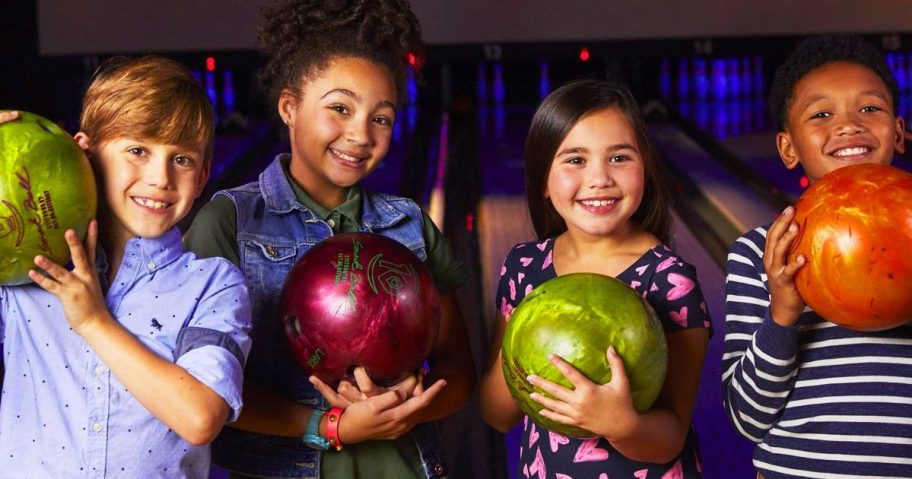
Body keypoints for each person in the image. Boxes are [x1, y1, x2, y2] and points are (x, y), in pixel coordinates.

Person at [183, 1, 476, 477]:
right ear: (289, 107)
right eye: (340, 108)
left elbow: (459, 374)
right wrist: (335, 425)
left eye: (381, 118)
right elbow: (204, 392)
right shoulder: (229, 222)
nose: (360, 134)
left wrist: (405, 408)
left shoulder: (410, 225)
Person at [0, 56, 252, 477]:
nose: (160, 178)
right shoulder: (26, 268)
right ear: (84, 151)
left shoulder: (213, 285)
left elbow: (200, 417)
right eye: (137, 150)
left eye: (182, 160)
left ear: (204, 175)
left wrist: (95, 321)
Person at [479, 79, 711, 478]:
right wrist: (529, 332)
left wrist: (622, 424)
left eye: (619, 158)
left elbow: (670, 435)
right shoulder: (524, 267)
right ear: (543, 183)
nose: (600, 178)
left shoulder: (669, 280)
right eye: (575, 160)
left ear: (648, 170)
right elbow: (498, 414)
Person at [721, 34, 912, 479]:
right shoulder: (758, 255)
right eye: (822, 114)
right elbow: (746, 420)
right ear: (788, 148)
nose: (849, 125)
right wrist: (783, 312)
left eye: (870, 109)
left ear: (899, 131)